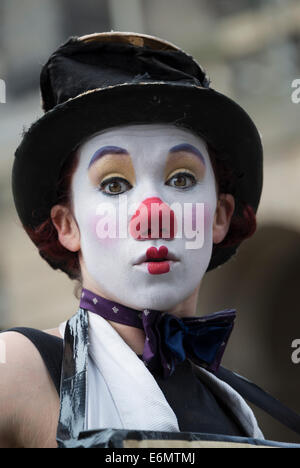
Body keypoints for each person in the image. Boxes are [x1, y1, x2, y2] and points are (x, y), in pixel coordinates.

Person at [0, 31, 299, 449]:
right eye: (114, 184)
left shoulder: (239, 407)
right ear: (68, 224)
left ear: (219, 215)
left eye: (182, 178)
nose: (153, 216)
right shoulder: (19, 368)